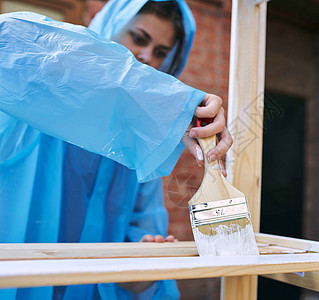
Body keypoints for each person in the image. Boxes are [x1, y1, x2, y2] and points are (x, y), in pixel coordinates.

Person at [0, 0, 231, 299]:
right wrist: (173, 103)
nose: (148, 57)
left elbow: (141, 254)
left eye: (161, 52)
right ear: (108, 27)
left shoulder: (144, 152)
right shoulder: (33, 101)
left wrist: (140, 280)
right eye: (138, 38)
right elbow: (8, 37)